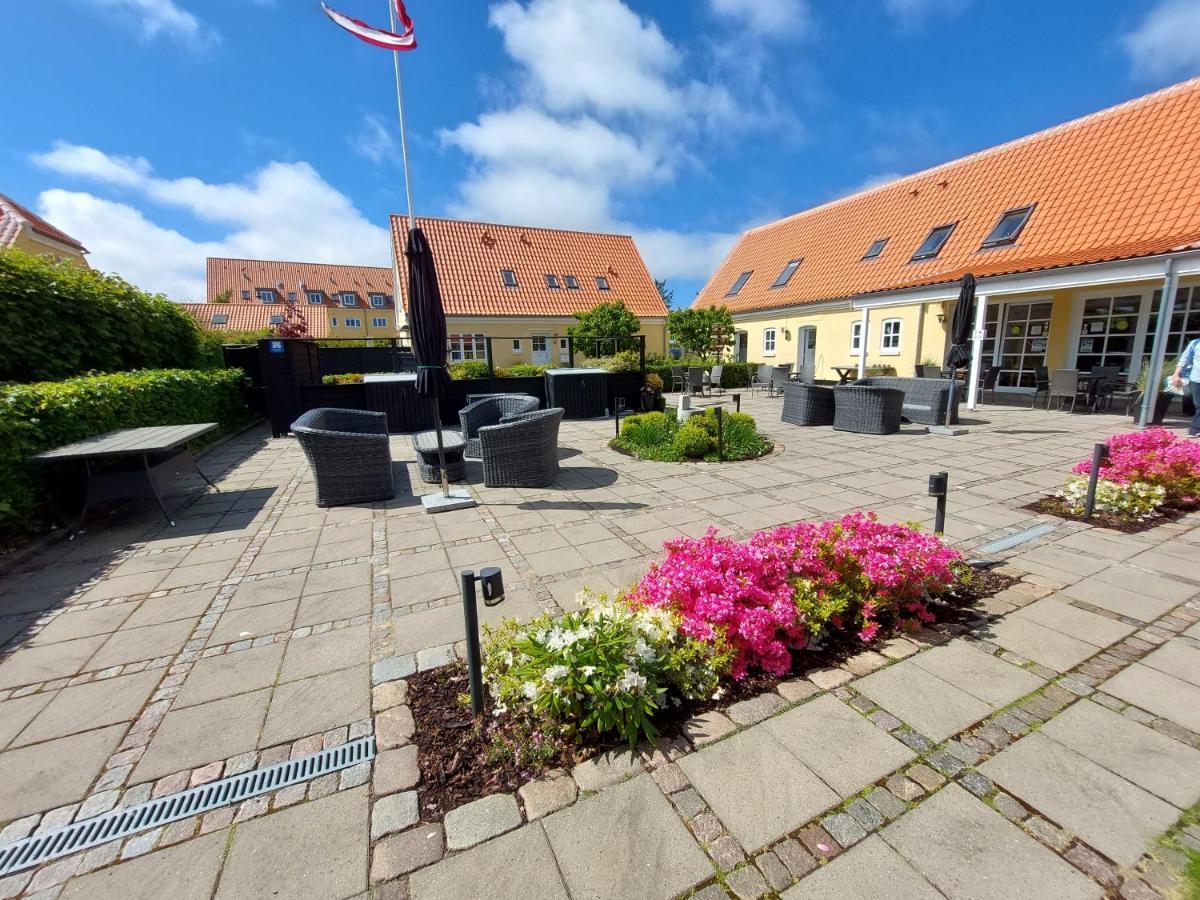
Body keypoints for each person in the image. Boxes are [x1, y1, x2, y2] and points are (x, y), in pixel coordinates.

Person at [1170, 337, 1200, 436]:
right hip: (1196, 379)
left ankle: (1194, 429)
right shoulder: (1195, 343)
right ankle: (1196, 429)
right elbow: (1184, 359)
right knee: (1198, 405)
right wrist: (1176, 374)